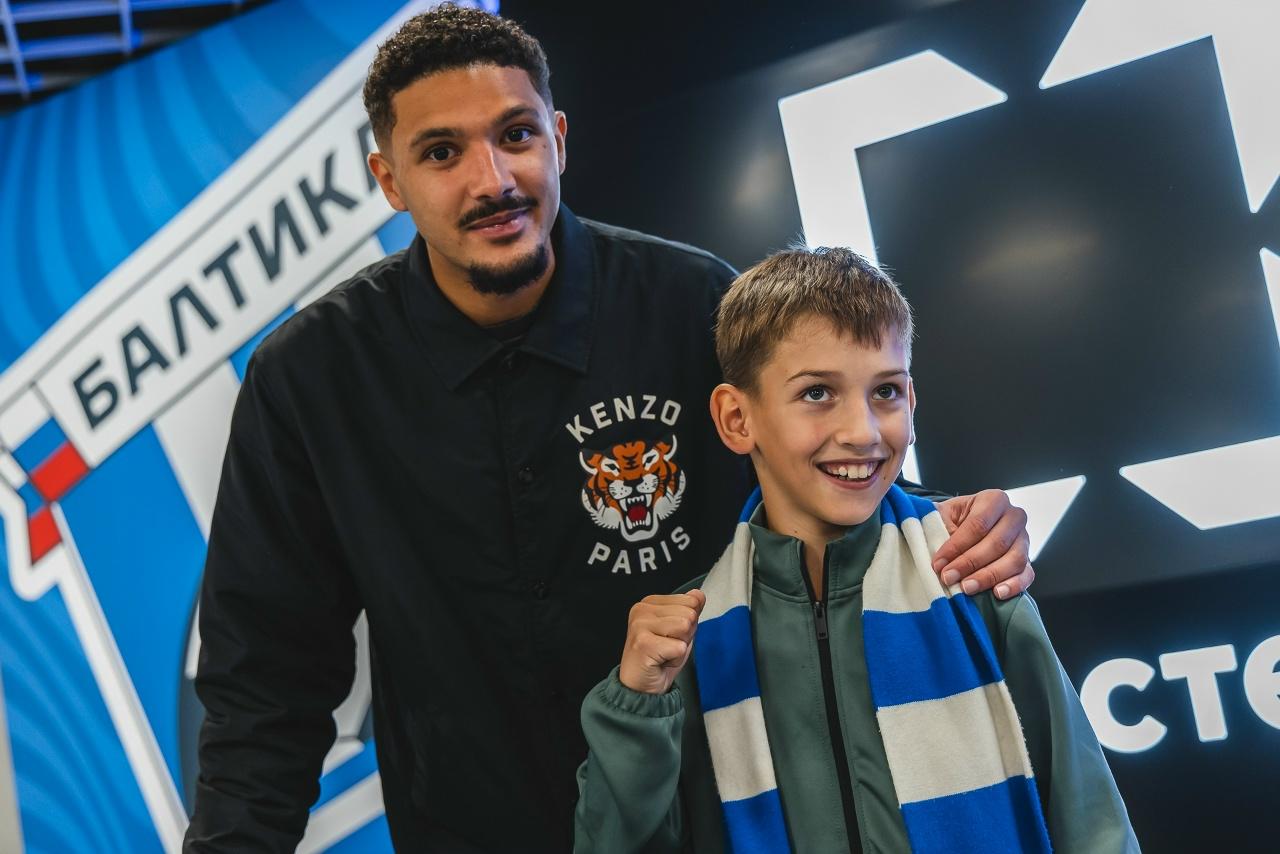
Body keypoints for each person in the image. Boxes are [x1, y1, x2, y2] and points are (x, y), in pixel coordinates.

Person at [184, 6, 1037, 852]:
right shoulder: (311, 377)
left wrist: (952, 530)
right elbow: (266, 685)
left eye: (516, 134)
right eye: (442, 152)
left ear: (558, 139)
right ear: (389, 180)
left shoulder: (691, 303)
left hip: (718, 824)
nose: (492, 180)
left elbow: (829, 492)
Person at [574, 247, 1138, 853]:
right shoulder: (688, 642)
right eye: (818, 392)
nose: (862, 432)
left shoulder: (969, 571)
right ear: (737, 419)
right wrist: (635, 708)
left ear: (912, 402)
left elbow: (1089, 819)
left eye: (886, 391)